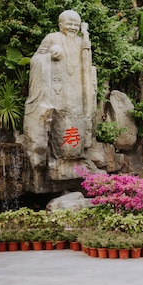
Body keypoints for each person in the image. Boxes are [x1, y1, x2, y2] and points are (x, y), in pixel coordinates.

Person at [24, 10, 96, 168]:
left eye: (76, 25)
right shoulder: (52, 38)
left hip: (76, 89)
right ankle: (59, 156)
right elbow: (36, 59)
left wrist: (86, 47)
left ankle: (75, 156)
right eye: (69, 24)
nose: (72, 27)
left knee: (76, 121)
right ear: (61, 24)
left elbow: (86, 66)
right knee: (60, 121)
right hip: (58, 89)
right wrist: (49, 56)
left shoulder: (80, 41)